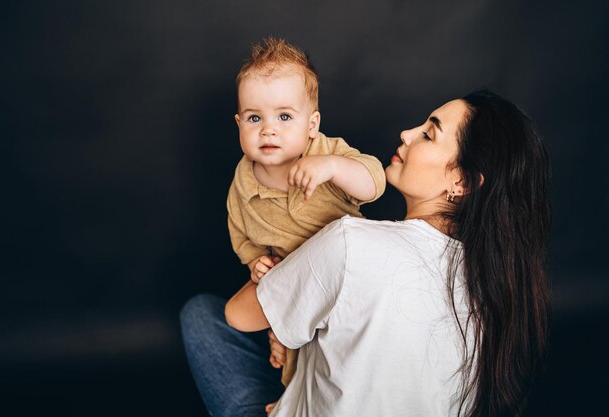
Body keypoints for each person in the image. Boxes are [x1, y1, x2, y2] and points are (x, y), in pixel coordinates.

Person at [181, 90, 551, 417]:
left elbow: (239, 316)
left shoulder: (350, 242)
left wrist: (279, 271)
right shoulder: (496, 288)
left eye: (428, 133)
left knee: (202, 314)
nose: (406, 134)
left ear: (462, 182)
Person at [226, 36, 385, 394]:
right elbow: (240, 230)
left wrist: (332, 167)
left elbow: (374, 182)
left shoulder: (327, 153)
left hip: (346, 286)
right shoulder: (243, 179)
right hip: (291, 287)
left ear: (312, 125)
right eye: (254, 118)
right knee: (295, 359)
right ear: (239, 124)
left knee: (342, 357)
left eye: (284, 116)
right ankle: (293, 398)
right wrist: (254, 261)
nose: (268, 129)